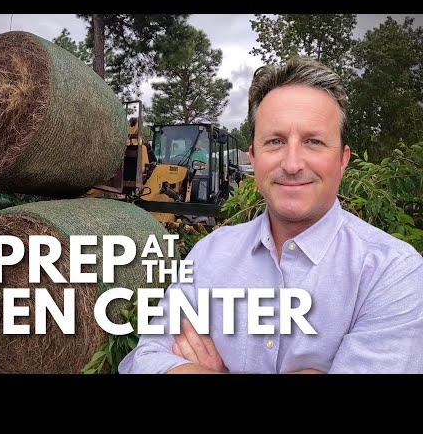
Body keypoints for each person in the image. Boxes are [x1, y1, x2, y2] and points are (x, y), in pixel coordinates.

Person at [119, 57, 423, 374]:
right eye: (275, 141)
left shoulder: (391, 272)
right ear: (254, 157)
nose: (292, 164)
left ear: (343, 159)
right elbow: (144, 360)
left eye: (314, 142)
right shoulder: (210, 253)